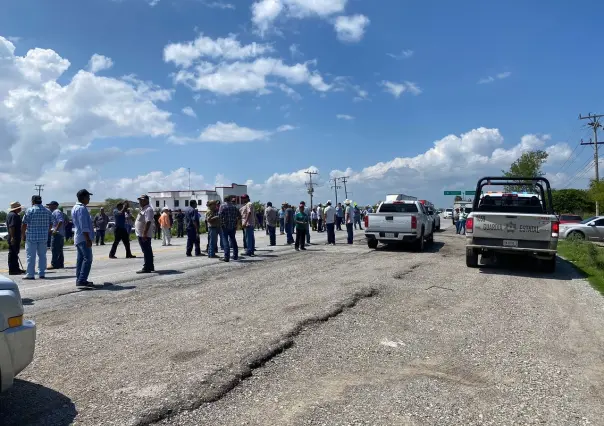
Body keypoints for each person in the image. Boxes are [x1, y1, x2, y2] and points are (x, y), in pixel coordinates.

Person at [21, 195, 52, 280]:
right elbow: (51, 223)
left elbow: (24, 224)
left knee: (31, 256)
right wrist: (47, 231)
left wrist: (23, 235)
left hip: (31, 236)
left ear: (33, 201)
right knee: (42, 255)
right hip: (43, 237)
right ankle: (42, 273)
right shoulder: (47, 211)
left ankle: (30, 274)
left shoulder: (30, 210)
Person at [72, 189, 95, 287]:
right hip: (83, 237)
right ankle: (82, 279)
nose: (89, 198)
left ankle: (79, 279)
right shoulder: (81, 208)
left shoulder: (75, 207)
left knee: (81, 259)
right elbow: (84, 225)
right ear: (84, 197)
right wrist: (88, 238)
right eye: (88, 197)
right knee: (88, 259)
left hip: (79, 237)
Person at [135, 194, 155, 273]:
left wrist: (144, 233)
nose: (140, 201)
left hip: (144, 234)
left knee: (146, 250)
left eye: (142, 200)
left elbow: (148, 221)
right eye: (139, 200)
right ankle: (150, 266)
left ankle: (147, 267)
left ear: (146, 200)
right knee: (147, 250)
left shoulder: (148, 209)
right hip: (141, 234)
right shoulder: (143, 209)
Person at [219, 196, 240, 262]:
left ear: (225, 199)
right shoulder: (234, 207)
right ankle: (235, 255)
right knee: (233, 240)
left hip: (225, 226)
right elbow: (239, 216)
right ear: (230, 199)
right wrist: (236, 224)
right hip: (233, 226)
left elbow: (220, 216)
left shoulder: (222, 206)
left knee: (225, 241)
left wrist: (221, 224)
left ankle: (227, 257)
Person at [6, 201, 24, 275]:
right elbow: (11, 227)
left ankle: (16, 268)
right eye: (19, 208)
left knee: (15, 253)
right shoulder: (13, 215)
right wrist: (13, 237)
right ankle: (13, 270)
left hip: (15, 236)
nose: (20, 209)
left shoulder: (13, 215)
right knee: (13, 253)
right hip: (14, 237)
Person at [47, 201, 65, 270]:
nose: (49, 206)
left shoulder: (56, 212)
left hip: (57, 233)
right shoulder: (57, 212)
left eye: (50, 205)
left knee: (54, 249)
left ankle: (54, 264)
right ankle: (60, 264)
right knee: (59, 250)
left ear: (54, 205)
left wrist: (55, 229)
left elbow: (60, 221)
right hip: (60, 233)